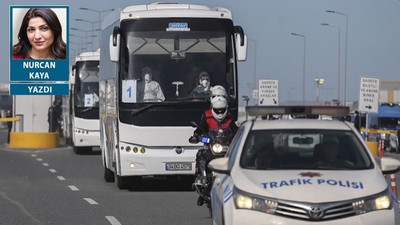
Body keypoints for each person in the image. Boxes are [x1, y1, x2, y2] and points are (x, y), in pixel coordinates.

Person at [189, 95, 238, 206]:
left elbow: (236, 131)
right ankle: (202, 180)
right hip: (212, 145)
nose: (220, 113)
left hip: (226, 147)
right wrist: (196, 136)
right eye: (217, 110)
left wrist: (238, 138)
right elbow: (200, 129)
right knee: (201, 155)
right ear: (212, 108)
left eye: (222, 110)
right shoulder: (207, 117)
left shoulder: (230, 118)